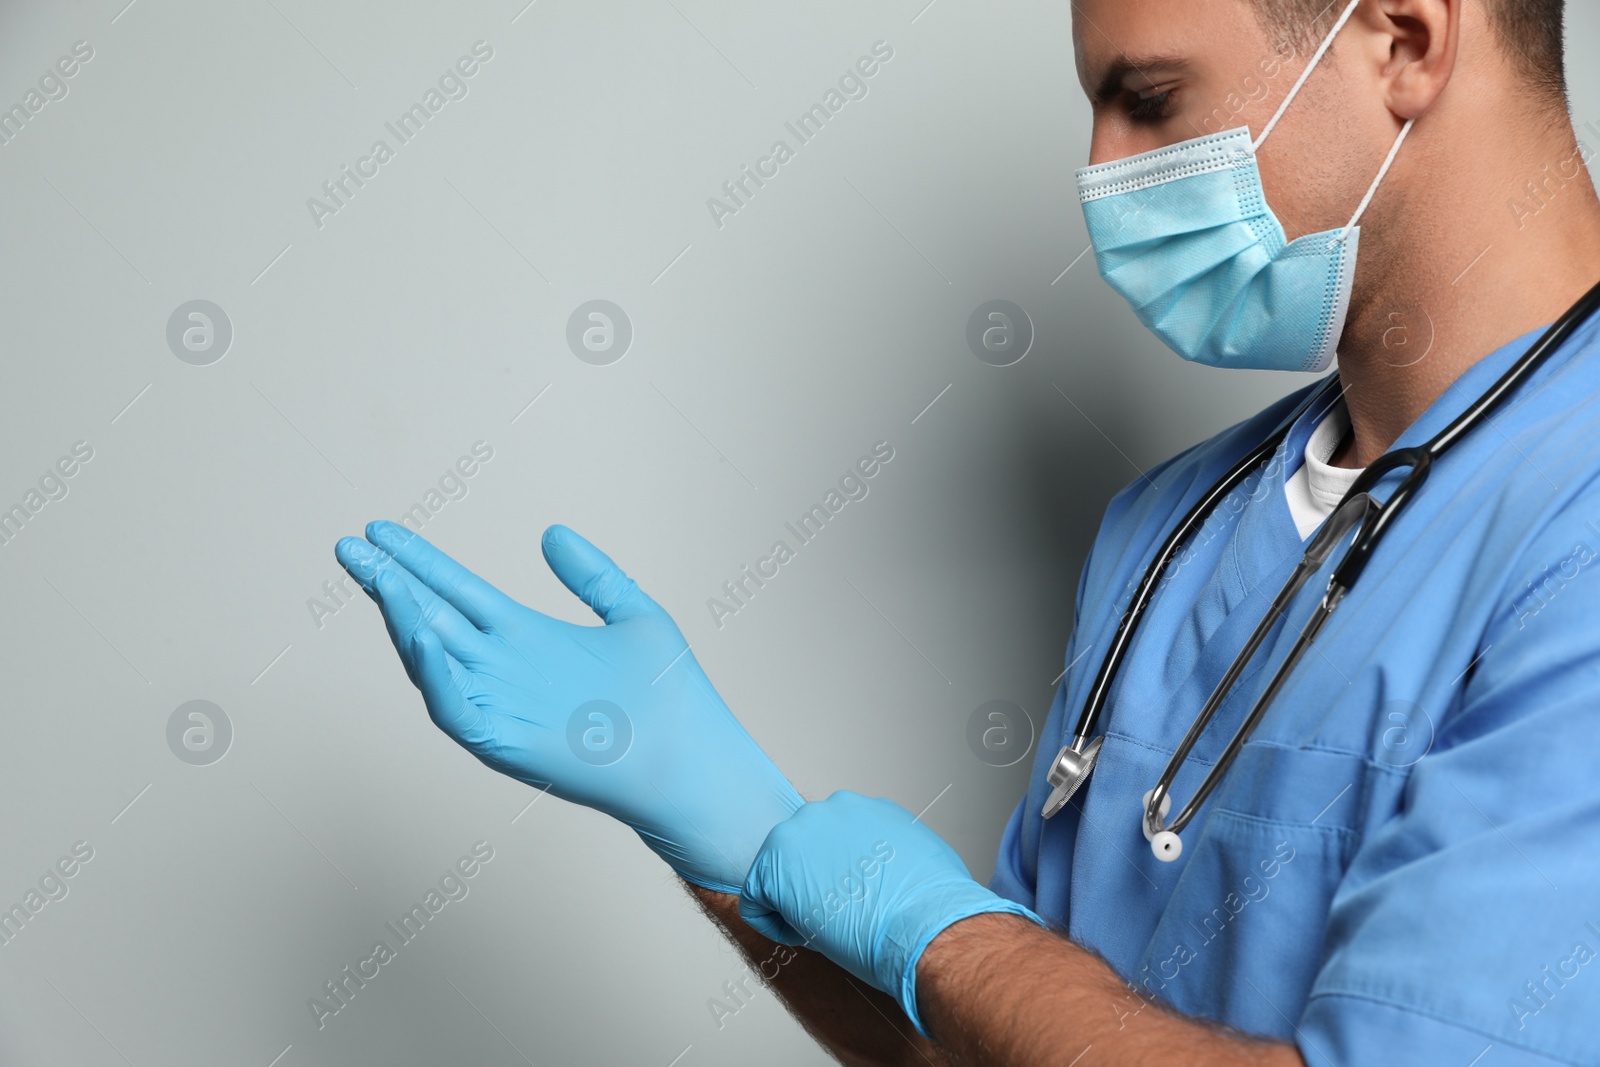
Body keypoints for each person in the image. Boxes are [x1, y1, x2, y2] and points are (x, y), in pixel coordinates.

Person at [334, 0, 1600, 1062]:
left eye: (1149, 100)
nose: (1101, 175)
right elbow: (1001, 1035)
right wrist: (734, 832)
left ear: (1402, 38)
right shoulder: (1171, 531)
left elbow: (962, 958)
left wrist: (935, 926)